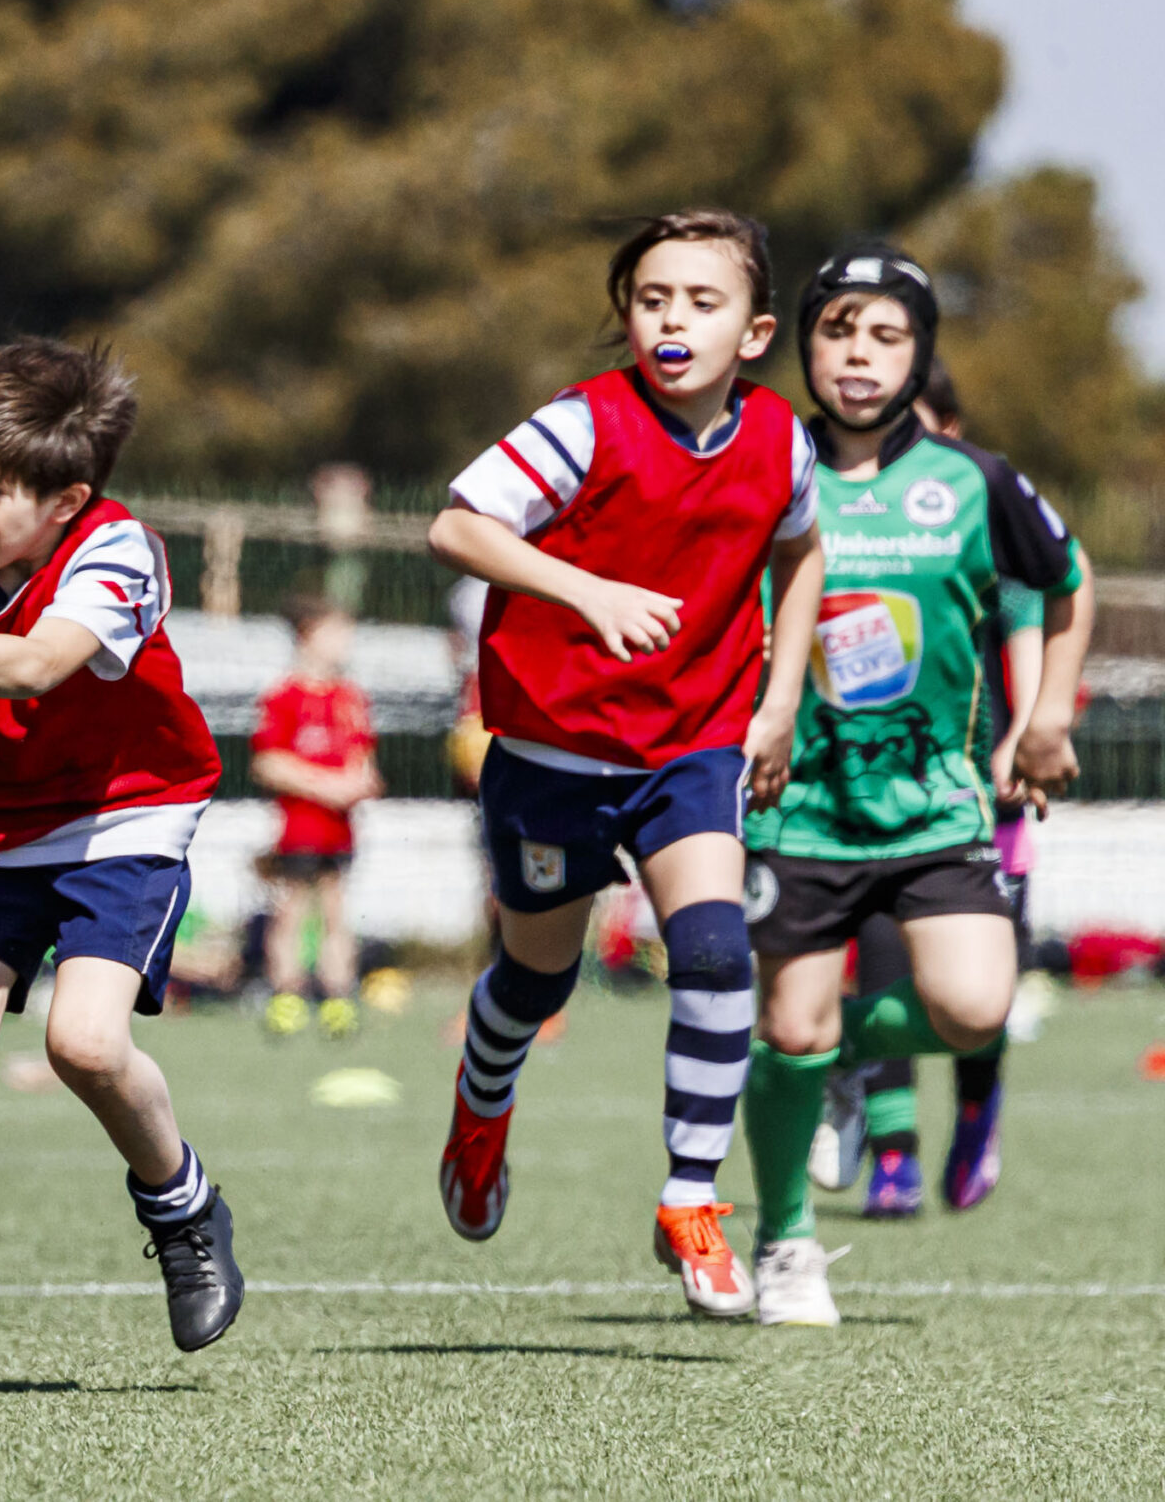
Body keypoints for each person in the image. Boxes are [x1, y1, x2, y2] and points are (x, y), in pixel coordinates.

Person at [428, 209, 825, 1320]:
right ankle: (480, 1104)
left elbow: (801, 550)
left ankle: (690, 1198)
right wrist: (584, 591)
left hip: (690, 745)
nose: (671, 320)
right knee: (534, 978)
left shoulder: (779, 442)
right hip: (553, 752)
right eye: (652, 299)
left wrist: (780, 697)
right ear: (625, 315)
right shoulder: (581, 425)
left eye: (701, 302)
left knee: (710, 949)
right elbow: (457, 529)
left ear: (750, 334)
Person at [0, 337, 243, 1397]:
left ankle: (181, 1205)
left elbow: (33, 666)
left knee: (84, 1043)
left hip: (118, 820)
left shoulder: (117, 551)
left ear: (67, 497)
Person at [741, 244, 1087, 1326]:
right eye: (838, 330)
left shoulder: (971, 479)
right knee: (786, 1034)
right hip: (793, 807)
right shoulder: (760, 463)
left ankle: (832, 1053)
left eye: (886, 334)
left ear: (918, 354)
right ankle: (784, 1241)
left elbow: (1063, 583)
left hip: (934, 806)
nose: (859, 353)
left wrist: (1047, 720)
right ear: (805, 346)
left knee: (976, 1008)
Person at [813, 362, 1086, 1216]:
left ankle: (976, 1109)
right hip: (864, 797)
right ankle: (892, 1150)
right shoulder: (839, 514)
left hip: (982, 795)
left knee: (977, 995)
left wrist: (1029, 728)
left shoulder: (977, 517)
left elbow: (1041, 603)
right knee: (884, 956)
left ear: (953, 435)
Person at [248, 593, 382, 1037]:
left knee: (336, 913)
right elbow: (268, 763)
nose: (345, 642)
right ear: (307, 636)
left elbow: (363, 763)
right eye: (336, 633)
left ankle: (338, 997)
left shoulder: (350, 698)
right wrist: (326, 787)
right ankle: (286, 995)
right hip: (298, 829)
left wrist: (361, 783)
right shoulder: (283, 696)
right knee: (290, 910)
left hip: (340, 833)